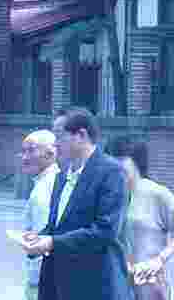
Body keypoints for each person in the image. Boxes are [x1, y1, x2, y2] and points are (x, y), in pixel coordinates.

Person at [19, 107, 133, 300]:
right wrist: (38, 238)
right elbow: (59, 226)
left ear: (81, 135)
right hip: (59, 286)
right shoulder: (62, 175)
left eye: (59, 136)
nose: (55, 144)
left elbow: (105, 231)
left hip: (95, 286)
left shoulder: (112, 173)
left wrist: (52, 242)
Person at [104, 138, 174, 300]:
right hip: (117, 280)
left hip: (148, 281)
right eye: (110, 159)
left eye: (120, 158)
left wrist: (159, 260)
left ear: (136, 161)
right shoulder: (109, 193)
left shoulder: (157, 193)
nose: (114, 164)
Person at [19, 129, 62, 300]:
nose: (24, 157)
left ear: (51, 153)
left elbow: (42, 237)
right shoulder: (46, 182)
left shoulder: (46, 187)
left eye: (31, 150)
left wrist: (35, 279)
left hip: (42, 281)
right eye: (23, 151)